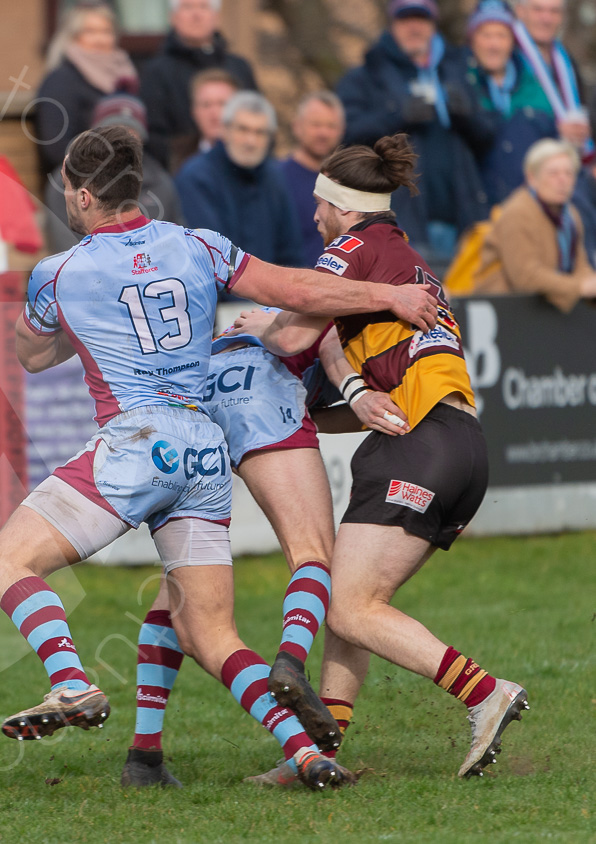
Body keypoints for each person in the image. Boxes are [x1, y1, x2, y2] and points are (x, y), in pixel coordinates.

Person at [0, 125, 440, 787]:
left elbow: (31, 351)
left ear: (82, 196)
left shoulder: (59, 272)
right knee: (211, 632)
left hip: (136, 443)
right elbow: (299, 292)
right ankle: (308, 755)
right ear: (135, 190)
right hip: (203, 451)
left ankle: (71, 681)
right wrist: (388, 295)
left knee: (4, 564)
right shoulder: (198, 245)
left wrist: (81, 326)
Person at [244, 134, 529, 781]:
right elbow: (380, 400)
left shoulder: (352, 248)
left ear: (342, 207)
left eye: (320, 204)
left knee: (348, 608)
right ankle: (321, 755)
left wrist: (253, 327)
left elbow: (292, 331)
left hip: (417, 448)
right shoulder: (411, 263)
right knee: (356, 600)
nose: (314, 218)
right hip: (459, 446)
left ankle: (487, 694)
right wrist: (342, 393)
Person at [120, 324, 347, 788]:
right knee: (313, 552)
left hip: (190, 402)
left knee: (180, 589)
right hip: (257, 386)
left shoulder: (280, 300)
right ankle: (292, 661)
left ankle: (143, 759)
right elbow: (319, 349)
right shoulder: (350, 302)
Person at [336, 0, 495, 265]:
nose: (414, 27)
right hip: (399, 221)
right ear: (392, 25)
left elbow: (489, 138)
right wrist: (398, 117)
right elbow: (345, 136)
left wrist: (466, 115)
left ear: (433, 25)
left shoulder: (459, 70)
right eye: (405, 19)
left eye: (421, 19)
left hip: (463, 221)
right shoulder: (366, 75)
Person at [176, 92, 307, 268]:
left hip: (269, 292)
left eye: (260, 132)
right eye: (243, 129)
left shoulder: (275, 177)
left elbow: (291, 252)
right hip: (217, 293)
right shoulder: (196, 177)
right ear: (225, 130)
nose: (251, 141)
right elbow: (208, 257)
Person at [45, 93, 187, 253]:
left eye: (130, 134)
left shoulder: (160, 182)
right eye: (113, 133)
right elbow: (66, 247)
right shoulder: (67, 180)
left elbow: (177, 244)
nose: (121, 143)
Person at [32, 2, 138, 207]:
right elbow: (55, 147)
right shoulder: (61, 81)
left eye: (106, 31)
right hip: (83, 192)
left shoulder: (126, 76)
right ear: (72, 36)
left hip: (128, 183)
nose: (99, 39)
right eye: (90, 31)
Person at [476, 139, 596, 310]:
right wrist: (579, 287)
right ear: (532, 177)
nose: (562, 180)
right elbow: (526, 276)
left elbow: (580, 265)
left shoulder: (571, 214)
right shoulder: (517, 212)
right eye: (553, 173)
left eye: (569, 173)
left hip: (545, 313)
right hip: (507, 313)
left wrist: (589, 282)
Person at [140, 0, 258, 171]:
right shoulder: (156, 72)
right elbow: (152, 135)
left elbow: (259, 119)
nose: (196, 15)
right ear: (173, 17)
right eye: (187, 7)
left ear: (216, 17)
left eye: (203, 6)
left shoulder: (239, 67)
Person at [466, 1, 557, 204]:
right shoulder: (460, 83)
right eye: (486, 35)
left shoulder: (536, 85)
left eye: (501, 35)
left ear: (513, 41)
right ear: (472, 40)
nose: (494, 45)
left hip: (529, 210)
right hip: (476, 216)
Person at [511, 0, 593, 155]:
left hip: (569, 159)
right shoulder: (509, 56)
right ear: (520, 11)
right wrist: (554, 128)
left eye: (554, 11)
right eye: (538, 10)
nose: (546, 19)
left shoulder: (566, 59)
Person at [280, 92, 347, 262]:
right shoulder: (276, 179)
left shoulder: (351, 180)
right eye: (316, 125)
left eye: (331, 126)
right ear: (297, 126)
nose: (323, 133)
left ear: (342, 130)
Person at [183, 69, 241, 169]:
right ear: (193, 112)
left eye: (223, 104)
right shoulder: (175, 158)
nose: (214, 112)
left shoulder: (254, 159)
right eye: (206, 105)